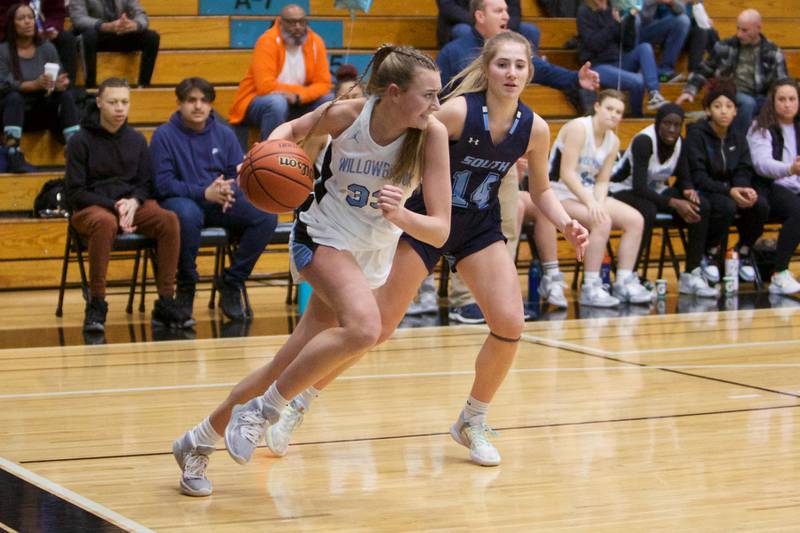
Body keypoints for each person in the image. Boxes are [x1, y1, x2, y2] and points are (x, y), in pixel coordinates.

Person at [255, 32, 588, 468]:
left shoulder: (536, 128)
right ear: (487, 68)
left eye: (520, 66)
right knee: (376, 329)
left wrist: (565, 222)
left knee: (510, 322)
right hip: (420, 220)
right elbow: (402, 137)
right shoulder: (453, 113)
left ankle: (473, 419)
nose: (511, 73)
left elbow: (541, 190)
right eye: (502, 64)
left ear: (531, 71)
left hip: (476, 225)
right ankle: (300, 403)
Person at [172, 45, 452, 497]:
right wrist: (269, 148)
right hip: (319, 235)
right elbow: (293, 128)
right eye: (430, 95)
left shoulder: (431, 134)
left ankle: (197, 441)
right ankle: (264, 412)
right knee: (366, 328)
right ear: (396, 93)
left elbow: (439, 230)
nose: (437, 105)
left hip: (370, 253)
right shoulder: (347, 115)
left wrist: (403, 217)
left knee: (286, 364)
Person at [150, 77, 279, 323]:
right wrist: (203, 192)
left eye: (204, 101)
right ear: (179, 103)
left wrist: (228, 187)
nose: (198, 106)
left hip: (219, 200)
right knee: (186, 216)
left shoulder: (224, 133)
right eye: (191, 100)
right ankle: (186, 286)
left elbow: (235, 173)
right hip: (181, 200)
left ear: (210, 105)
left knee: (265, 215)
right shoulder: (163, 135)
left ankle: (231, 282)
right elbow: (162, 184)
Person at [64, 78, 186, 333]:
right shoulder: (79, 141)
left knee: (169, 219)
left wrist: (133, 202)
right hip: (92, 207)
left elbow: (145, 183)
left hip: (130, 205)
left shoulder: (137, 140)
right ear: (99, 103)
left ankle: (165, 300)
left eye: (124, 102)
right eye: (112, 102)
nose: (119, 108)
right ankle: (96, 303)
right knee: (105, 222)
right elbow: (75, 192)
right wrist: (114, 206)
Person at [550, 89, 651, 307]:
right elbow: (566, 174)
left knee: (636, 220)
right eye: (609, 108)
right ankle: (591, 286)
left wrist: (598, 201)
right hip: (558, 192)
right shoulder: (579, 128)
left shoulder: (613, 141)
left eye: (619, 112)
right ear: (597, 107)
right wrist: (591, 203)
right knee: (602, 221)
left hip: (586, 194)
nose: (614, 115)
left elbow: (603, 181)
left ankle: (624, 280)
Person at [610, 103, 718, 297]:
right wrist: (675, 204)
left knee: (701, 206)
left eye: (677, 125)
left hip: (654, 190)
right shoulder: (644, 141)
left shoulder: (680, 143)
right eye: (667, 124)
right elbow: (639, 187)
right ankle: (630, 274)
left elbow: (683, 175)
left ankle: (691, 274)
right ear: (658, 123)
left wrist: (688, 191)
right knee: (647, 211)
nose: (671, 129)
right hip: (620, 188)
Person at [437, 0, 600, 115]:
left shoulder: (511, 48)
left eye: (506, 10)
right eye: (499, 11)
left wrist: (576, 78)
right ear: (480, 16)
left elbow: (544, 70)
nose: (507, 16)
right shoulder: (453, 52)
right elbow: (439, 96)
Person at [685, 79, 768, 284]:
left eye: (729, 106)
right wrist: (729, 191)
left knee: (761, 205)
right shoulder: (697, 134)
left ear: (735, 112)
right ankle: (711, 253)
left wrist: (743, 188)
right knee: (727, 206)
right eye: (717, 106)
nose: (723, 111)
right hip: (705, 190)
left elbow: (743, 168)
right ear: (708, 110)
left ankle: (744, 250)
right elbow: (699, 176)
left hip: (731, 189)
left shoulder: (738, 137)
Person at [228, 3, 333, 151]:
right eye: (292, 22)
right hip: (259, 103)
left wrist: (298, 96)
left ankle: (317, 155)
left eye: (302, 22)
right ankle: (269, 155)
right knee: (277, 102)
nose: (297, 26)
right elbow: (265, 87)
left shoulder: (316, 42)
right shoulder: (267, 40)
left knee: (328, 101)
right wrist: (299, 93)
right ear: (281, 22)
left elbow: (324, 85)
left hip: (298, 102)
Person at [676, 9, 787, 133]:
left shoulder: (773, 51)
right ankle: (738, 141)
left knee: (776, 104)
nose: (739, 34)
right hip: (729, 93)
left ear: (758, 28)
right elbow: (704, 70)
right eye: (738, 28)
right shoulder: (725, 46)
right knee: (748, 103)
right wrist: (690, 90)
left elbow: (782, 84)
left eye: (744, 30)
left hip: (760, 98)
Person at [0, 2, 79, 173]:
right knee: (14, 97)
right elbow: (3, 85)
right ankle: (12, 152)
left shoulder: (47, 48)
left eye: (30, 17)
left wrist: (60, 84)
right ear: (12, 24)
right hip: (10, 114)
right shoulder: (3, 51)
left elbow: (60, 76)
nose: (28, 22)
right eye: (21, 18)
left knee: (66, 96)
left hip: (40, 111)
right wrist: (34, 84)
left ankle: (76, 151)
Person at [746, 78, 800, 295]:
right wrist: (790, 169)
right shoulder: (760, 127)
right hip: (771, 185)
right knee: (799, 211)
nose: (787, 104)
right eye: (782, 99)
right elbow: (762, 164)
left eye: (792, 99)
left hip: (795, 185)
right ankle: (780, 272)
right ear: (773, 101)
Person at [577, 0, 668, 117]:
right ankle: (637, 117)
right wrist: (615, 24)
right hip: (598, 65)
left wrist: (630, 19)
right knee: (638, 80)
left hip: (619, 60)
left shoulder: (614, 7)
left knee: (645, 48)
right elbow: (594, 44)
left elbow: (628, 45)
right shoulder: (585, 10)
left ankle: (654, 93)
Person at [68, 0, 160, 88]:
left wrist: (135, 24)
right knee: (88, 37)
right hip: (96, 34)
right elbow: (78, 19)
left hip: (119, 33)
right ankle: (91, 87)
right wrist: (104, 26)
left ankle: (144, 85)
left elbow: (140, 13)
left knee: (152, 37)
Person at [0, 0, 77, 84]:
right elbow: (3, 16)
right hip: (9, 32)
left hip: (45, 30)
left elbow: (57, 13)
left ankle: (66, 85)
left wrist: (50, 28)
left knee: (67, 39)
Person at [436, 0, 540, 50]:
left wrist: (500, 27)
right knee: (463, 31)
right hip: (464, 24)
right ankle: (472, 72)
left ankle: (528, 70)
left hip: (499, 23)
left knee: (530, 30)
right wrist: (484, 23)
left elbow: (515, 13)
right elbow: (448, 9)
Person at [637, 0, 690, 82]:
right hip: (634, 29)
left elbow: (682, 10)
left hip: (654, 28)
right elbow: (641, 17)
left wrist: (671, 2)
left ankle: (665, 71)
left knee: (683, 21)